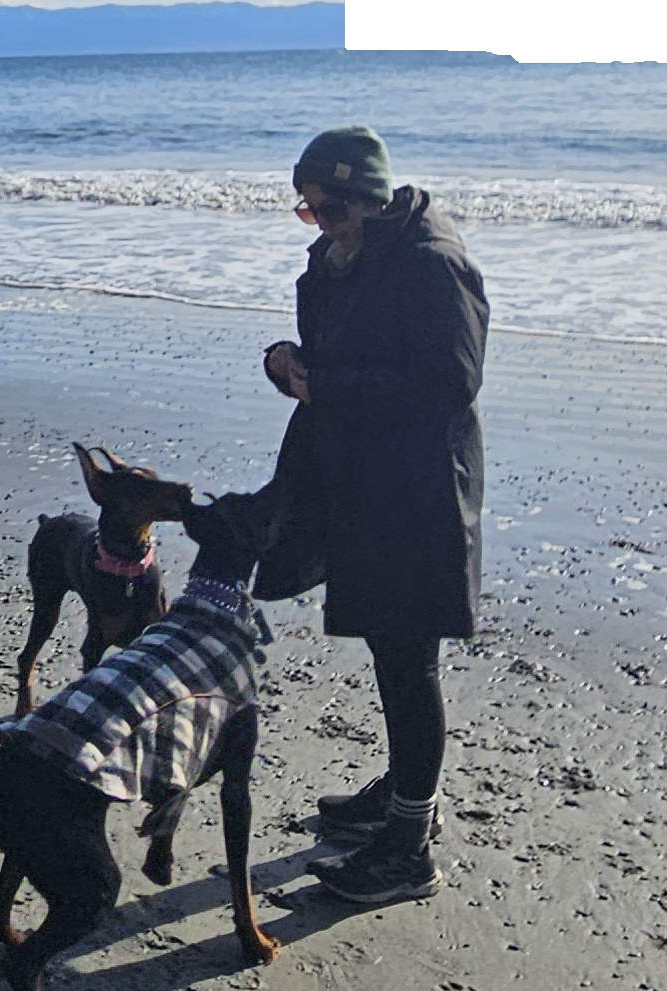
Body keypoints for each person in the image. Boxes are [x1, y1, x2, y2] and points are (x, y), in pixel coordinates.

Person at [222, 124, 489, 904]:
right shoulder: (346, 254)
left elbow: (449, 384)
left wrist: (324, 387)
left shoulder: (432, 261)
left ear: (369, 198)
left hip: (418, 490)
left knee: (408, 657)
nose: (321, 224)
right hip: (365, 479)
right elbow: (342, 355)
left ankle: (410, 847)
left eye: (331, 209)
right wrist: (287, 363)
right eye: (308, 211)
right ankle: (408, 796)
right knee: (389, 645)